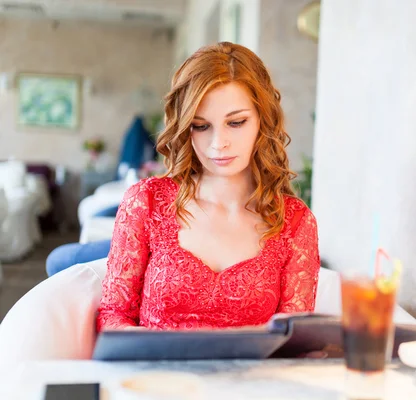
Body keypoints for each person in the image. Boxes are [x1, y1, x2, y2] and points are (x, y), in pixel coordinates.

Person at [96, 42, 320, 331]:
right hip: (153, 374)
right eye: (201, 126)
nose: (218, 144)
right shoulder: (147, 202)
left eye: (236, 122)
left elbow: (295, 339)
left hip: (249, 376)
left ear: (263, 120)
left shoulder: (295, 222)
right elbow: (113, 315)